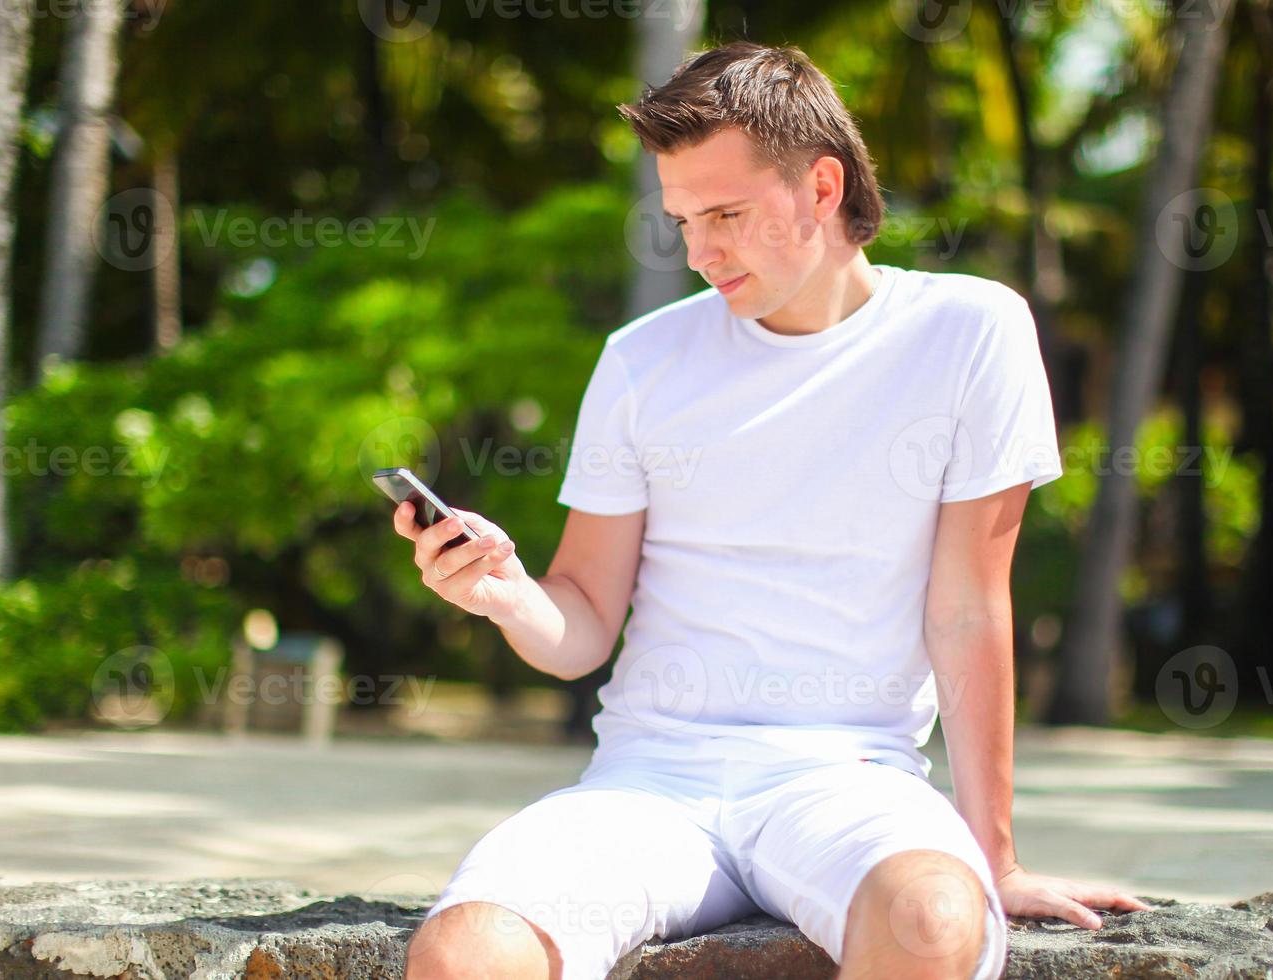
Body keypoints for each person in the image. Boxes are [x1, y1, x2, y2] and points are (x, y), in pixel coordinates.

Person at [396, 40, 1148, 980]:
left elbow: (967, 609)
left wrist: (994, 858)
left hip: (850, 784)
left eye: (726, 215)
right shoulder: (641, 360)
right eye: (681, 221)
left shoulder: (970, 331)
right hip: (650, 782)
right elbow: (582, 625)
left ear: (823, 189)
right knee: (467, 952)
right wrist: (504, 590)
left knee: (932, 921)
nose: (700, 252)